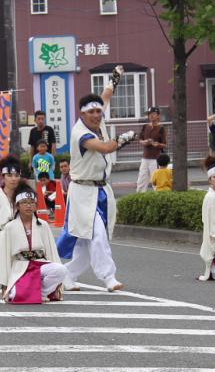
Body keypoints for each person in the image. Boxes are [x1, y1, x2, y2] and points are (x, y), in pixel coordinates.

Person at [56, 66, 136, 292]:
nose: (96, 115)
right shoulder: (80, 133)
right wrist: (124, 138)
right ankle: (108, 277)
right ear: (82, 114)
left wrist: (115, 79)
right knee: (97, 234)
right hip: (82, 192)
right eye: (91, 112)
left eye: (98, 112)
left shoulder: (98, 119)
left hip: (100, 190)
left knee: (84, 241)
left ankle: (67, 275)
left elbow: (105, 97)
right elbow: (105, 147)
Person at [0, 185, 67, 303]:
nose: (28, 206)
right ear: (17, 206)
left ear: (36, 206)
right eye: (24, 203)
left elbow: (51, 250)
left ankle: (42, 292)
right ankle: (29, 290)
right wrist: (5, 284)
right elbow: (5, 257)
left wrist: (58, 286)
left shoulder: (43, 225)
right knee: (14, 295)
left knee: (61, 269)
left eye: (32, 203)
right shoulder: (9, 227)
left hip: (40, 264)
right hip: (21, 267)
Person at [137, 106, 167, 192]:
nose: (151, 116)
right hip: (145, 158)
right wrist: (145, 142)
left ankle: (157, 200)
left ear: (158, 116)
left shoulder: (161, 128)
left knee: (156, 182)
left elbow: (164, 144)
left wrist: (157, 144)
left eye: (153, 114)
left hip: (155, 159)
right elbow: (140, 140)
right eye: (149, 114)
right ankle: (139, 200)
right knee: (141, 181)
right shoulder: (145, 126)